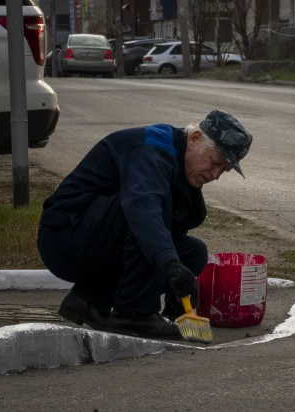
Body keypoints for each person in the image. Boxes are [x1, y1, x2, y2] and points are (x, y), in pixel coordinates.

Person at [37, 110, 252, 340]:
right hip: (65, 237)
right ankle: (133, 315)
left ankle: (90, 300)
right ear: (195, 138)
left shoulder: (180, 160)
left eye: (224, 170)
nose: (216, 175)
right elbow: (142, 208)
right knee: (148, 216)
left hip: (95, 238)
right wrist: (170, 266)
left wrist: (176, 293)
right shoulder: (153, 147)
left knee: (192, 253)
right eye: (214, 162)